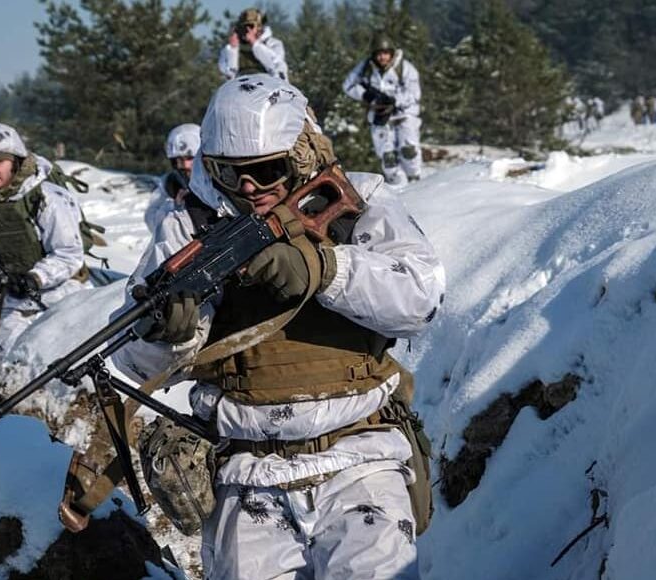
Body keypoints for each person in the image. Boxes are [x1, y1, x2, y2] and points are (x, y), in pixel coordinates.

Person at [113, 74, 446, 579]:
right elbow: (132, 358)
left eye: (265, 171)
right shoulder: (188, 227)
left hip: (361, 456)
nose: (248, 188)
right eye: (230, 172)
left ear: (298, 155)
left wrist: (326, 269)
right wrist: (170, 334)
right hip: (247, 472)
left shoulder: (357, 202)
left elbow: (421, 299)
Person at [0, 123, 88, 360]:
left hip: (63, 291)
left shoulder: (47, 196)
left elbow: (69, 254)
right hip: (15, 295)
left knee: (66, 360)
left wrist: (36, 277)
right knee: (12, 362)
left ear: (15, 161)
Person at [343, 34, 423, 185]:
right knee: (388, 158)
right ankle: (398, 186)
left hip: (404, 114)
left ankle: (415, 181)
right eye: (379, 54)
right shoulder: (366, 67)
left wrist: (395, 100)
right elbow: (348, 85)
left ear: (392, 53)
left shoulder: (405, 68)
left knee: (409, 151)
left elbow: (414, 93)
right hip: (380, 116)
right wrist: (366, 95)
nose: (382, 57)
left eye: (385, 53)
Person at [144, 123, 200, 234]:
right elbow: (152, 220)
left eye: (190, 158)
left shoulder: (217, 181)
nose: (185, 165)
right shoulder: (170, 184)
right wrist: (175, 207)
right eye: (178, 160)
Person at [218, 8, 288, 81]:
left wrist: (255, 44)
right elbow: (228, 74)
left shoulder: (274, 44)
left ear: (259, 27)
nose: (248, 30)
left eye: (251, 26)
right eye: (244, 27)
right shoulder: (232, 48)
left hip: (267, 88)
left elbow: (276, 65)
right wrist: (232, 51)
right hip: (242, 88)